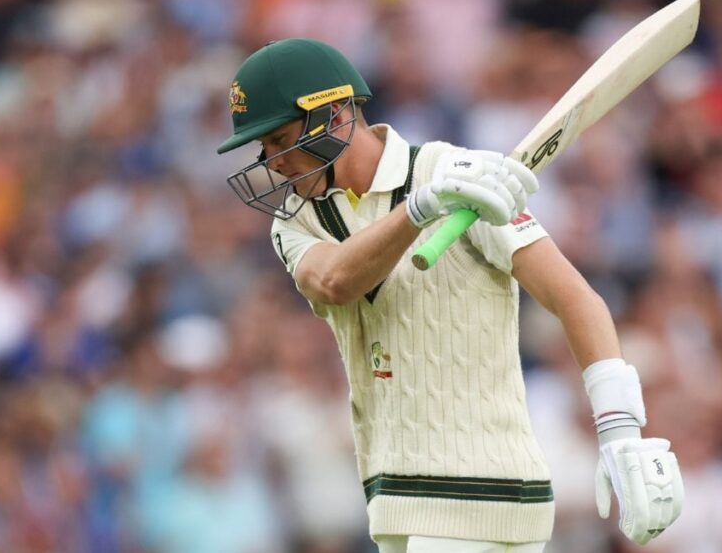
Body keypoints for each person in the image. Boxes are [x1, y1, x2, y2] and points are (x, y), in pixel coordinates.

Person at [217, 38, 684, 552]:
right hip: (394, 498)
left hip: (486, 493)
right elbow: (335, 281)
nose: (271, 162)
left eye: (279, 139)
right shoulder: (296, 222)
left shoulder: (454, 172)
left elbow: (573, 296)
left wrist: (620, 431)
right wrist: (419, 210)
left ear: (333, 118)